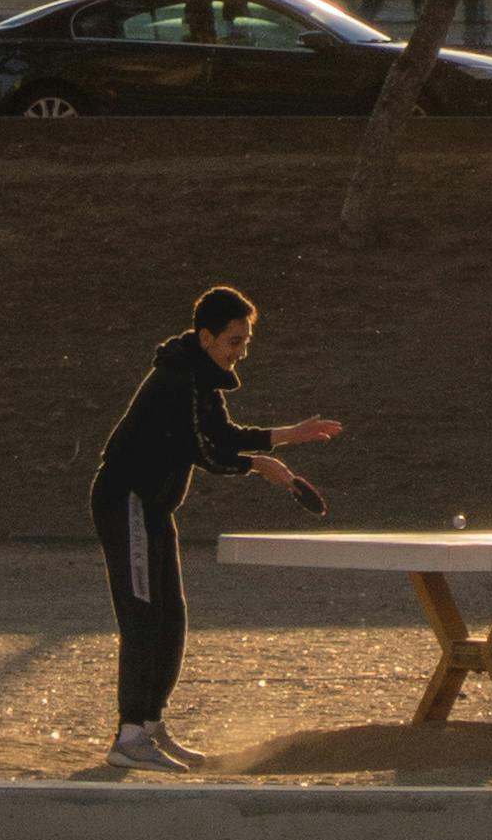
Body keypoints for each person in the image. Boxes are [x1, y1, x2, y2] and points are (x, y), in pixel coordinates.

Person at [89, 286, 340, 772]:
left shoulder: (202, 378)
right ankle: (129, 737)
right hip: (127, 502)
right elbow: (202, 452)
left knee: (171, 616)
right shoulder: (177, 379)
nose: (240, 351)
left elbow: (221, 436)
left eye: (245, 342)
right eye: (233, 341)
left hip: (154, 507)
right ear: (206, 337)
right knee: (142, 616)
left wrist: (287, 436)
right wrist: (257, 466)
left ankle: (151, 725)